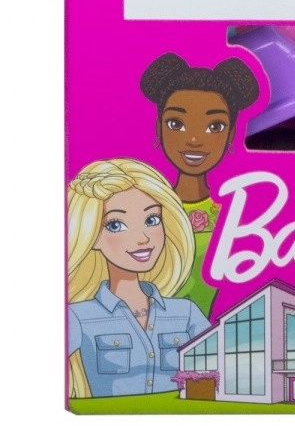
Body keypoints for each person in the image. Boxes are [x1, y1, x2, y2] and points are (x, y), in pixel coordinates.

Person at [67, 159, 210, 400]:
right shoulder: (79, 316)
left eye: (152, 220)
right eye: (115, 224)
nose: (143, 238)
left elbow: (223, 361)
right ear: (92, 235)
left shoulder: (185, 312)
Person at [139, 53, 260, 313]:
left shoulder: (233, 212)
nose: (194, 140)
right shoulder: (148, 209)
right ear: (159, 127)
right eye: (176, 123)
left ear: (231, 133)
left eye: (215, 126)